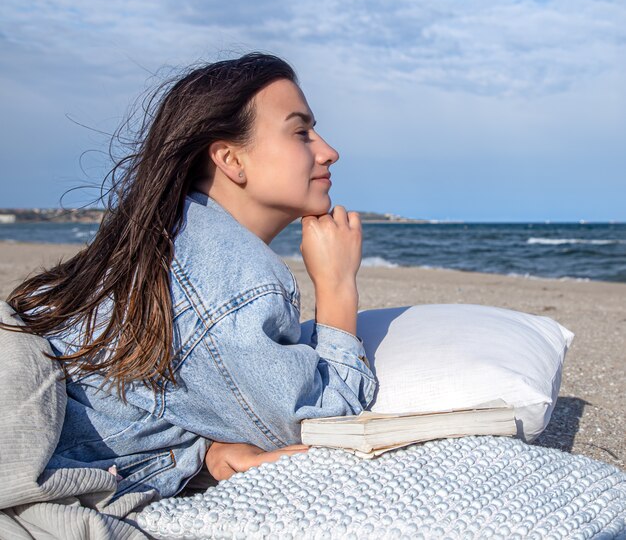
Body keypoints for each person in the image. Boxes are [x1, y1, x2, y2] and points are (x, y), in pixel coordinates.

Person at [4, 53, 377, 499]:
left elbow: (141, 400)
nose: (328, 151)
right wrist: (337, 285)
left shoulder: (168, 239)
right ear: (230, 159)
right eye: (301, 132)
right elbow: (322, 425)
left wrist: (203, 450)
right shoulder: (234, 281)